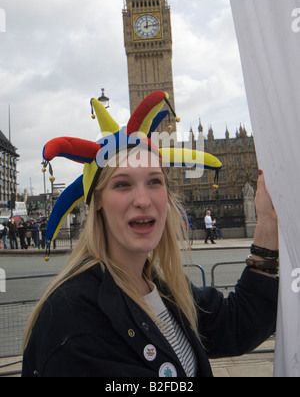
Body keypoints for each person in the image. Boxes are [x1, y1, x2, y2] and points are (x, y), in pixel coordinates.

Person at [22, 92, 278, 378]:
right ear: (98, 205)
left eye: (154, 181)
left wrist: (267, 224)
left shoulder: (160, 288)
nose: (143, 199)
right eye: (122, 184)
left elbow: (236, 326)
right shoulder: (71, 318)